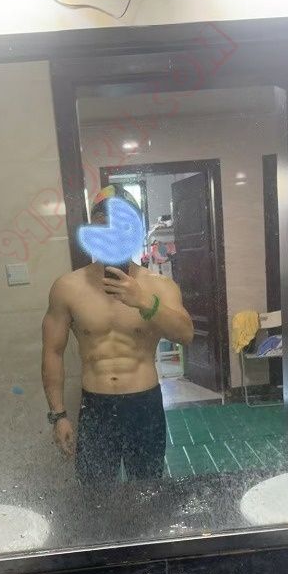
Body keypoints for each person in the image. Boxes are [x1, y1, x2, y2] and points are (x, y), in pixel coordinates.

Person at [42, 185, 194, 483]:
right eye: (103, 224)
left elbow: (185, 334)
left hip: (144, 406)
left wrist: (144, 301)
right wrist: (58, 415)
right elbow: (52, 352)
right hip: (95, 408)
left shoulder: (159, 286)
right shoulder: (67, 288)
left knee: (146, 490)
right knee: (95, 494)